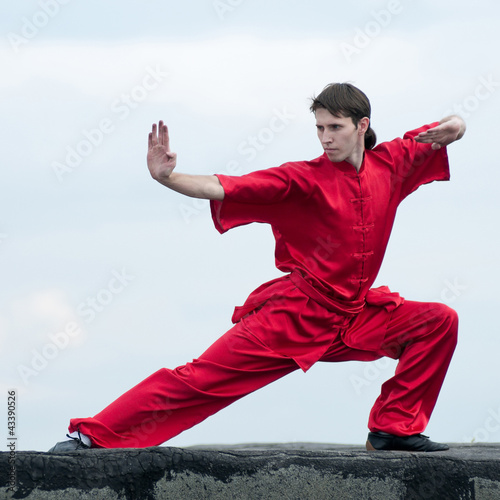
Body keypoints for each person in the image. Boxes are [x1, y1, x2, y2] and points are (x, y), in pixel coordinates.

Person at [49, 83, 465, 453]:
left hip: (357, 316)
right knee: (200, 379)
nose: (325, 138)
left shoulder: (392, 164)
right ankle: (90, 436)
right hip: (294, 317)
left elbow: (447, 128)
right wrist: (167, 178)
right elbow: (225, 186)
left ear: (361, 125)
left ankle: (393, 429)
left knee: (437, 322)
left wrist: (458, 125)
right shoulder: (301, 180)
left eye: (334, 127)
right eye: (319, 128)